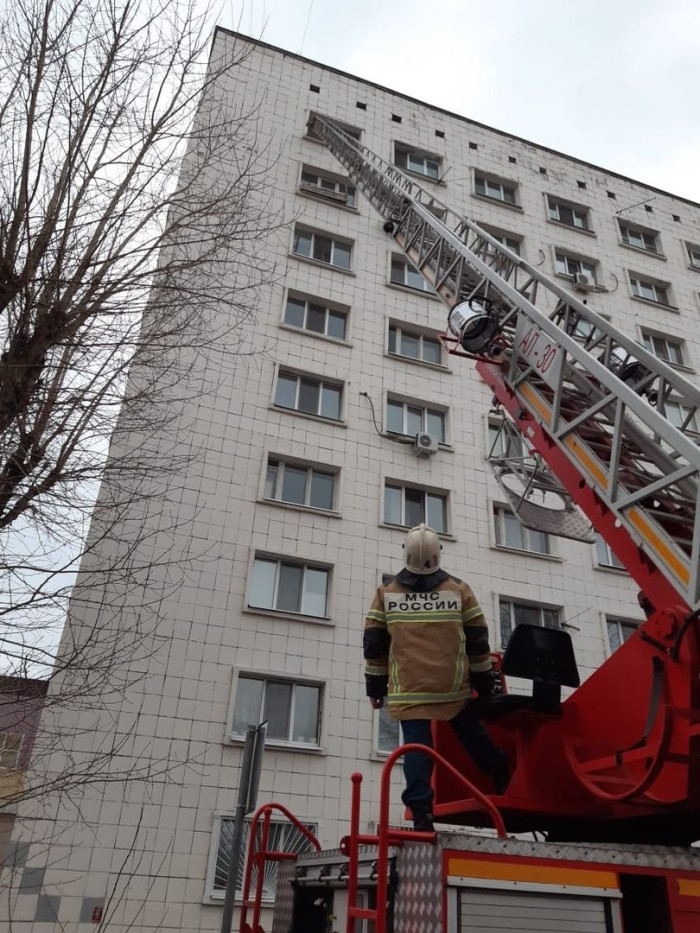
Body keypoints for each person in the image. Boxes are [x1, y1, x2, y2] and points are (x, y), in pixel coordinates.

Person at [363, 523, 509, 831]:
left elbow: (374, 646)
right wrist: (485, 689)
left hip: (409, 691)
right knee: (472, 733)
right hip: (452, 689)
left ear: (406, 554)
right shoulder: (458, 590)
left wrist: (375, 688)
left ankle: (421, 815)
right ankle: (500, 772)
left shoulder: (385, 594)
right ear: (438, 554)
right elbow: (478, 643)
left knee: (417, 750)